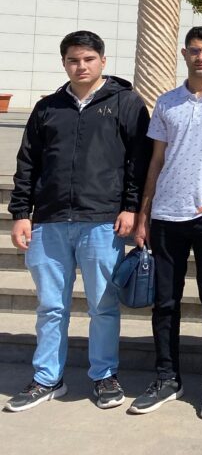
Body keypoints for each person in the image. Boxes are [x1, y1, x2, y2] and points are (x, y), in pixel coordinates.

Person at [6, 31, 150, 413]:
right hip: (49, 221)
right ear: (64, 63)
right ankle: (47, 378)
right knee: (51, 307)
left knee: (103, 306)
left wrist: (131, 207)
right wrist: (20, 214)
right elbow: (27, 163)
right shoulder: (48, 108)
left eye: (88, 59)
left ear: (103, 61)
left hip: (102, 221)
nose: (81, 66)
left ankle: (104, 375)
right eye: (73, 60)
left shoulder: (126, 103)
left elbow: (138, 161)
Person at [129, 27, 202, 418]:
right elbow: (156, 161)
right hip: (167, 215)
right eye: (195, 50)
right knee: (165, 302)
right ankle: (167, 377)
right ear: (184, 53)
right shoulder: (167, 102)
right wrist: (144, 213)